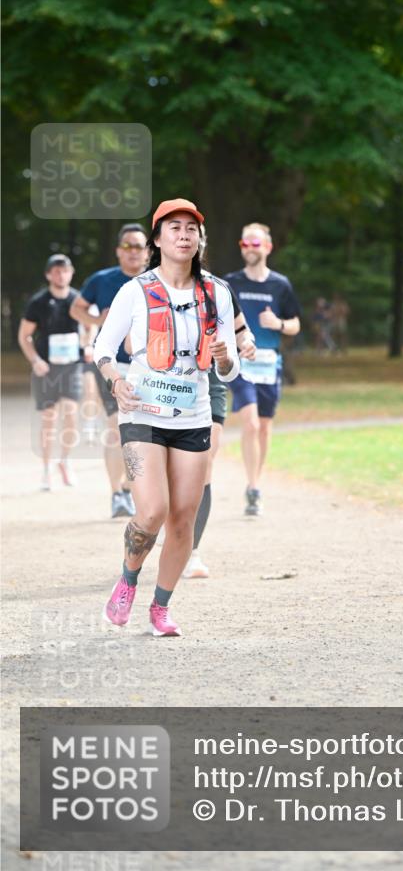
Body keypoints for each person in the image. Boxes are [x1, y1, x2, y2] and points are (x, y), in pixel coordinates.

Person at [94, 199, 239, 636]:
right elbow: (102, 348)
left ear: (200, 239)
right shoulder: (136, 291)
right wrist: (114, 380)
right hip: (142, 412)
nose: (184, 234)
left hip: (192, 416)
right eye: (173, 227)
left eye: (191, 228)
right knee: (153, 510)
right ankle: (128, 578)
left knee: (183, 518)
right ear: (157, 240)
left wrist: (224, 356)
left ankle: (161, 607)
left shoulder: (217, 293)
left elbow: (230, 370)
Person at [70, 224, 148, 517]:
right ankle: (117, 494)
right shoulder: (101, 280)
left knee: (141, 433)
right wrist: (95, 317)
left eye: (138, 246)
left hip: (148, 367)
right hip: (110, 365)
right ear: (118, 250)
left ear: (147, 250)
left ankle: (131, 489)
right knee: (117, 427)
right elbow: (76, 309)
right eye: (127, 246)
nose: (133, 252)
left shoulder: (156, 279)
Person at [182, 279, 257, 580]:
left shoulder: (217, 290)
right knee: (167, 473)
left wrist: (247, 342)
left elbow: (241, 330)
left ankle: (192, 552)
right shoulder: (150, 287)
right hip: (163, 389)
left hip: (208, 386)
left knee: (203, 464)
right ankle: (169, 528)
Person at [225, 223, 301, 516]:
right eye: (244, 244)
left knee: (265, 427)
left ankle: (255, 481)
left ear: (267, 247)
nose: (249, 248)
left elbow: (296, 324)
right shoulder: (231, 283)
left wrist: (279, 324)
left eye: (254, 243)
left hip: (270, 363)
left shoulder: (280, 285)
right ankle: (254, 486)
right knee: (251, 424)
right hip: (242, 363)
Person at [18, 254, 84, 490]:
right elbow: (24, 336)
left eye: (64, 270)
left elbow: (92, 326)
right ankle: (46, 470)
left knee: (71, 415)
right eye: (55, 271)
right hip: (46, 368)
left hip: (72, 366)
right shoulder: (38, 302)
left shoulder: (79, 300)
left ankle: (64, 461)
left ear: (71, 272)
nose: (60, 275)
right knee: (48, 418)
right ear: (48, 274)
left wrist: (90, 346)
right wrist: (35, 360)